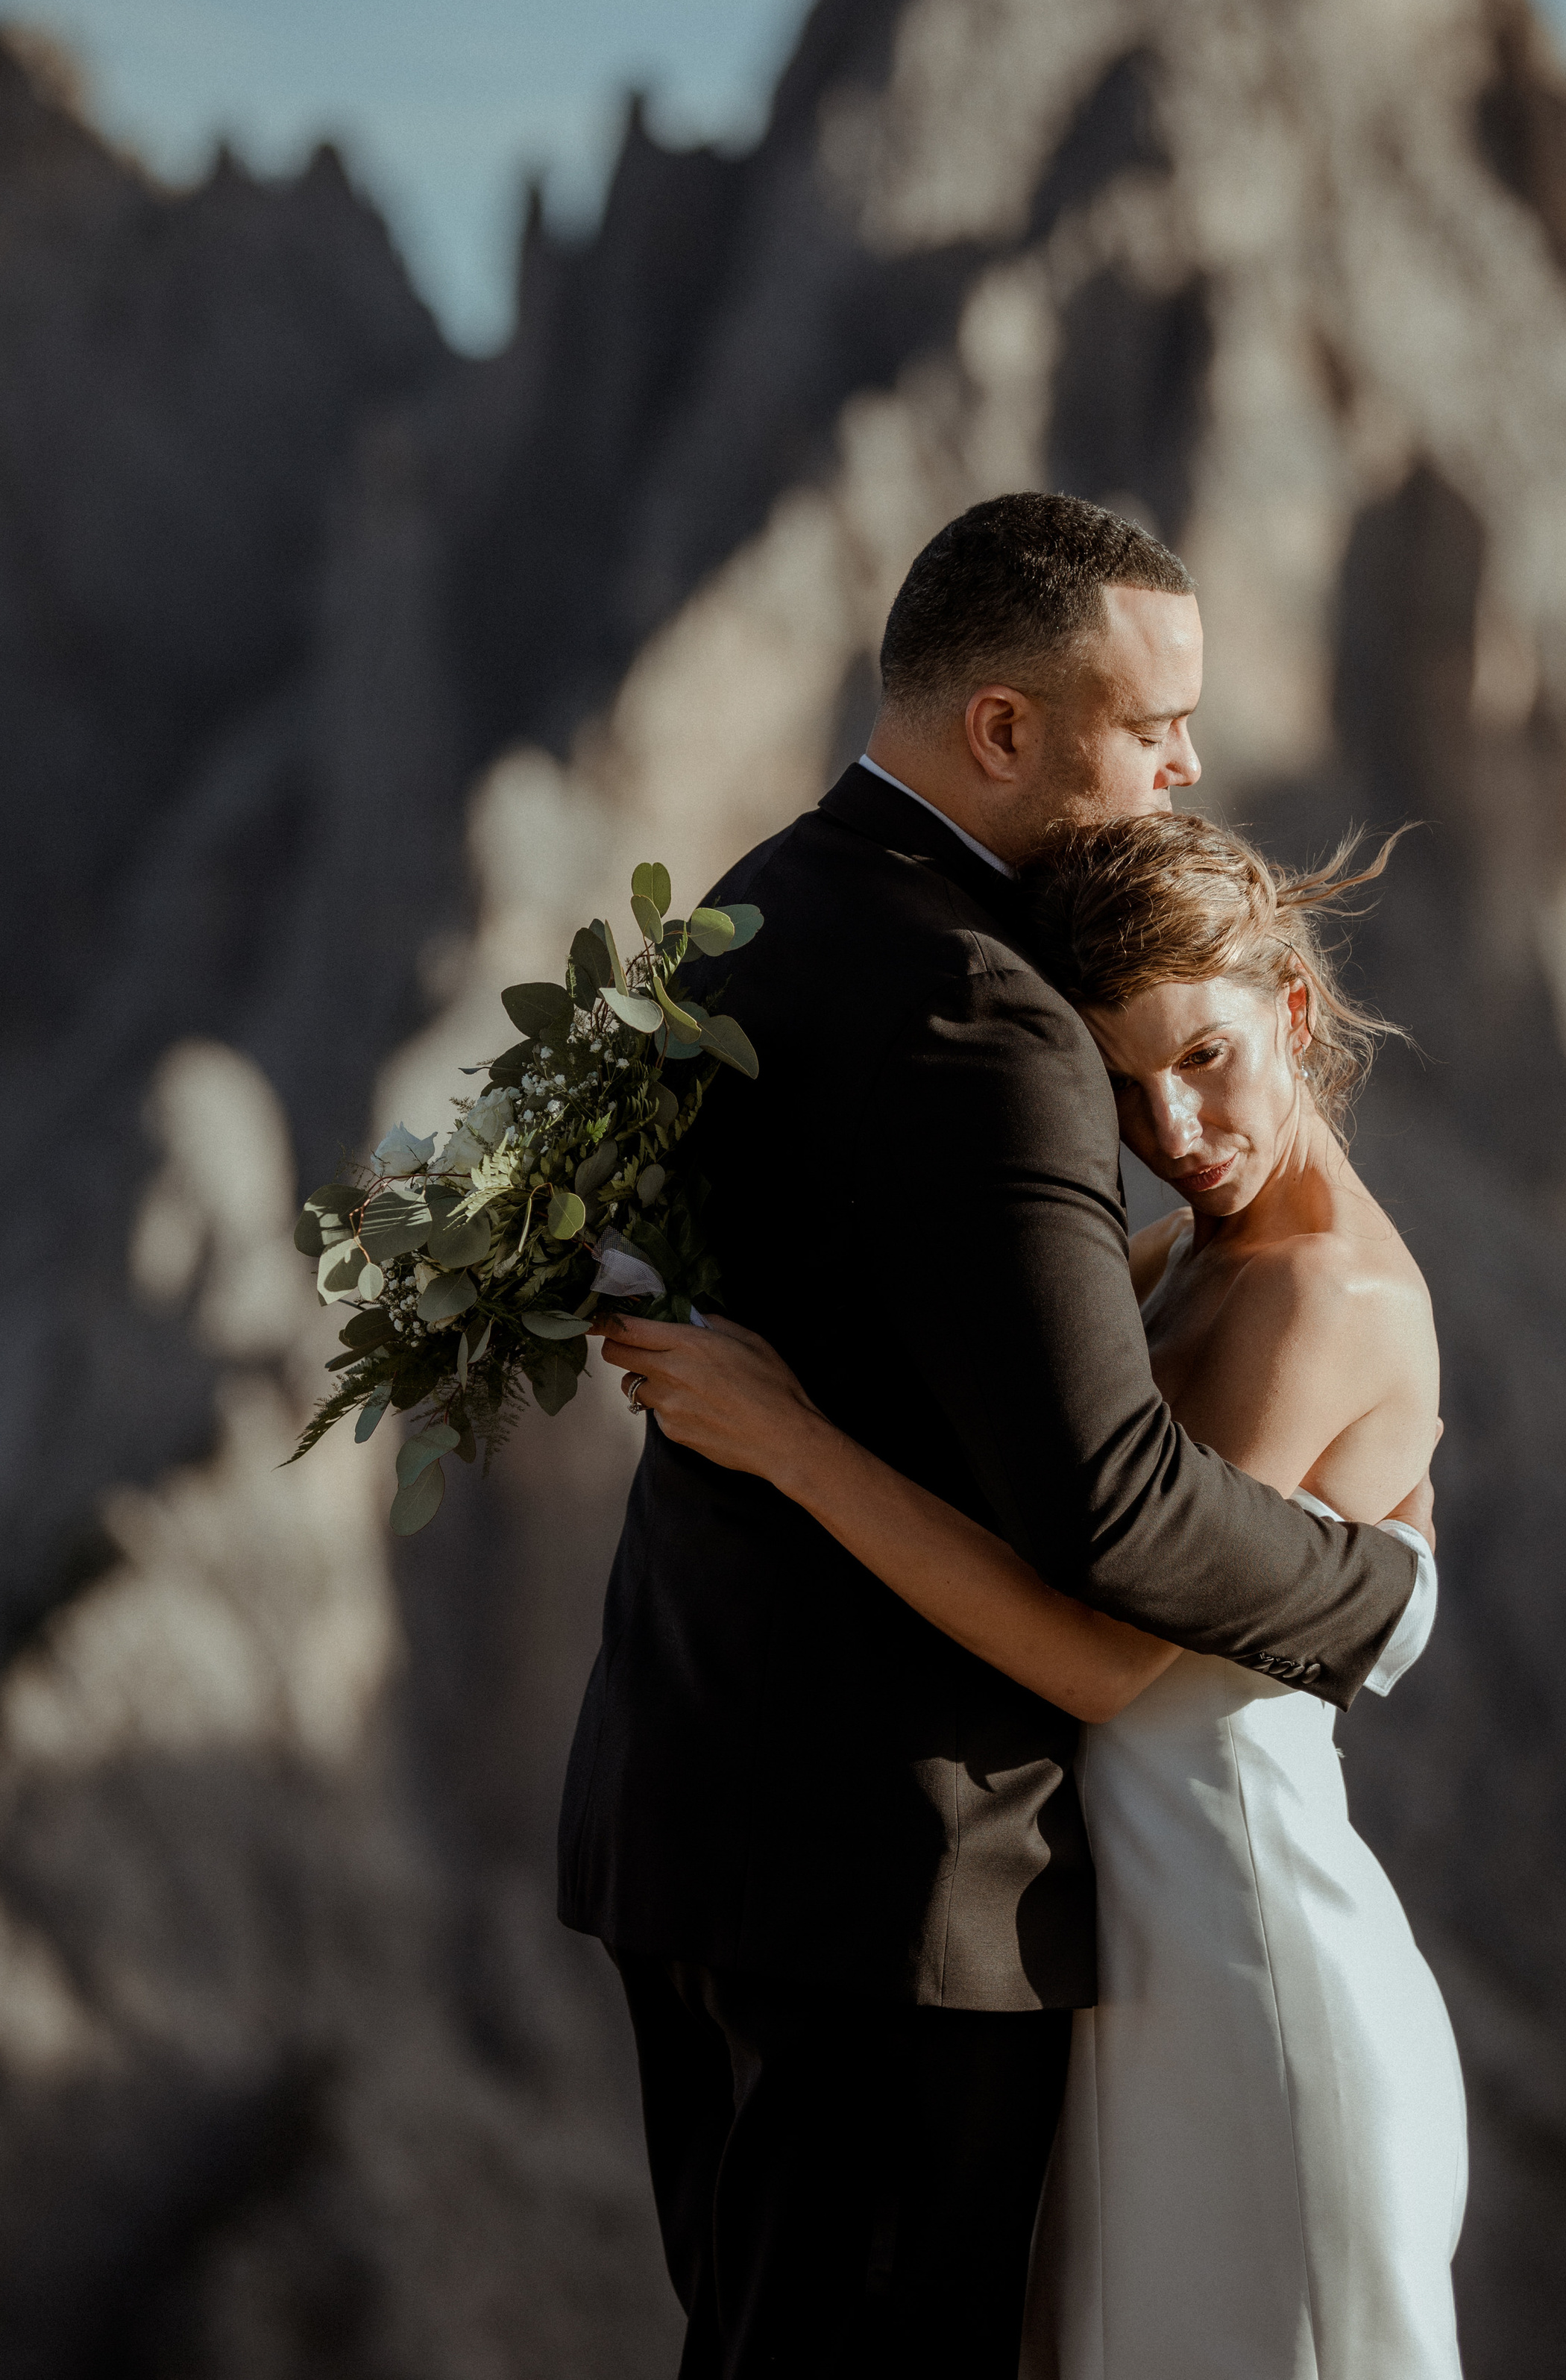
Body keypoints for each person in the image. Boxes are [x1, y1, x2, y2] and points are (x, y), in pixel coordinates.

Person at [558, 494, 1435, 2378]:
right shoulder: (978, 1003)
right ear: (1007, 731)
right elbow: (1112, 1513)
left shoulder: (762, 901)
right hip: (898, 1878)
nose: (1193, 764)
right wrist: (1382, 1589)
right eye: (1155, 726)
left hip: (697, 1814)